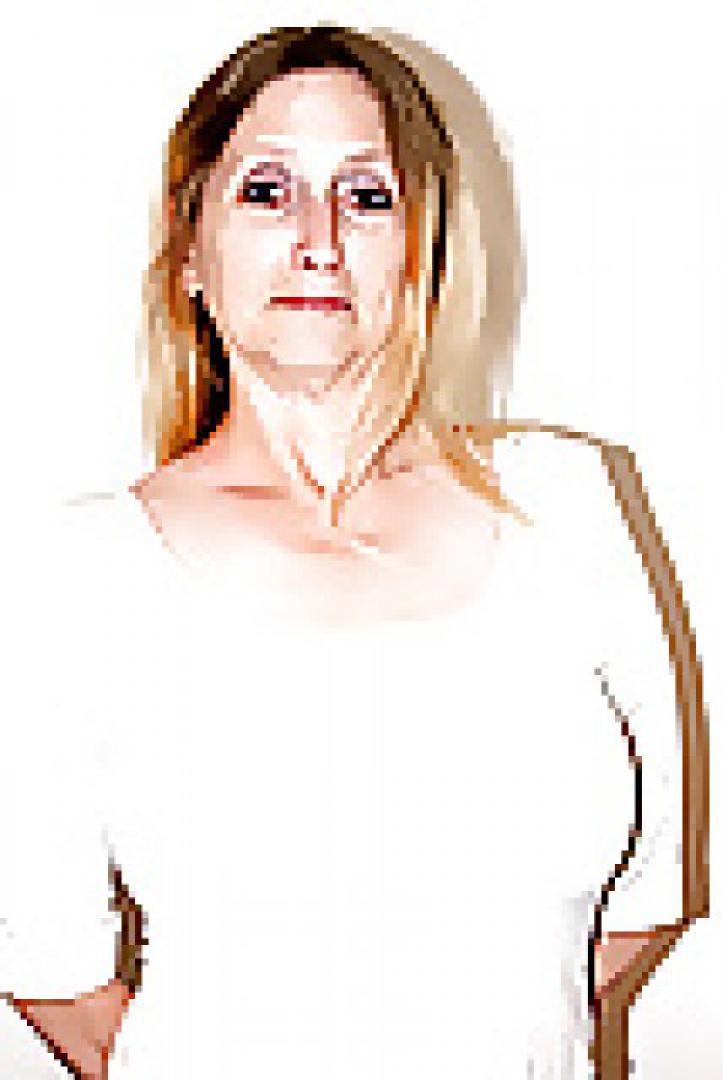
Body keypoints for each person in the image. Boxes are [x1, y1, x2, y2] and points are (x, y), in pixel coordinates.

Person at [0, 24, 706, 1080]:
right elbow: (50, 965)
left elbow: (649, 892)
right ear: (189, 249)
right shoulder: (82, 569)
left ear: (422, 250)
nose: (319, 238)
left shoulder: (571, 506)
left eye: (367, 195)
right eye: (267, 191)